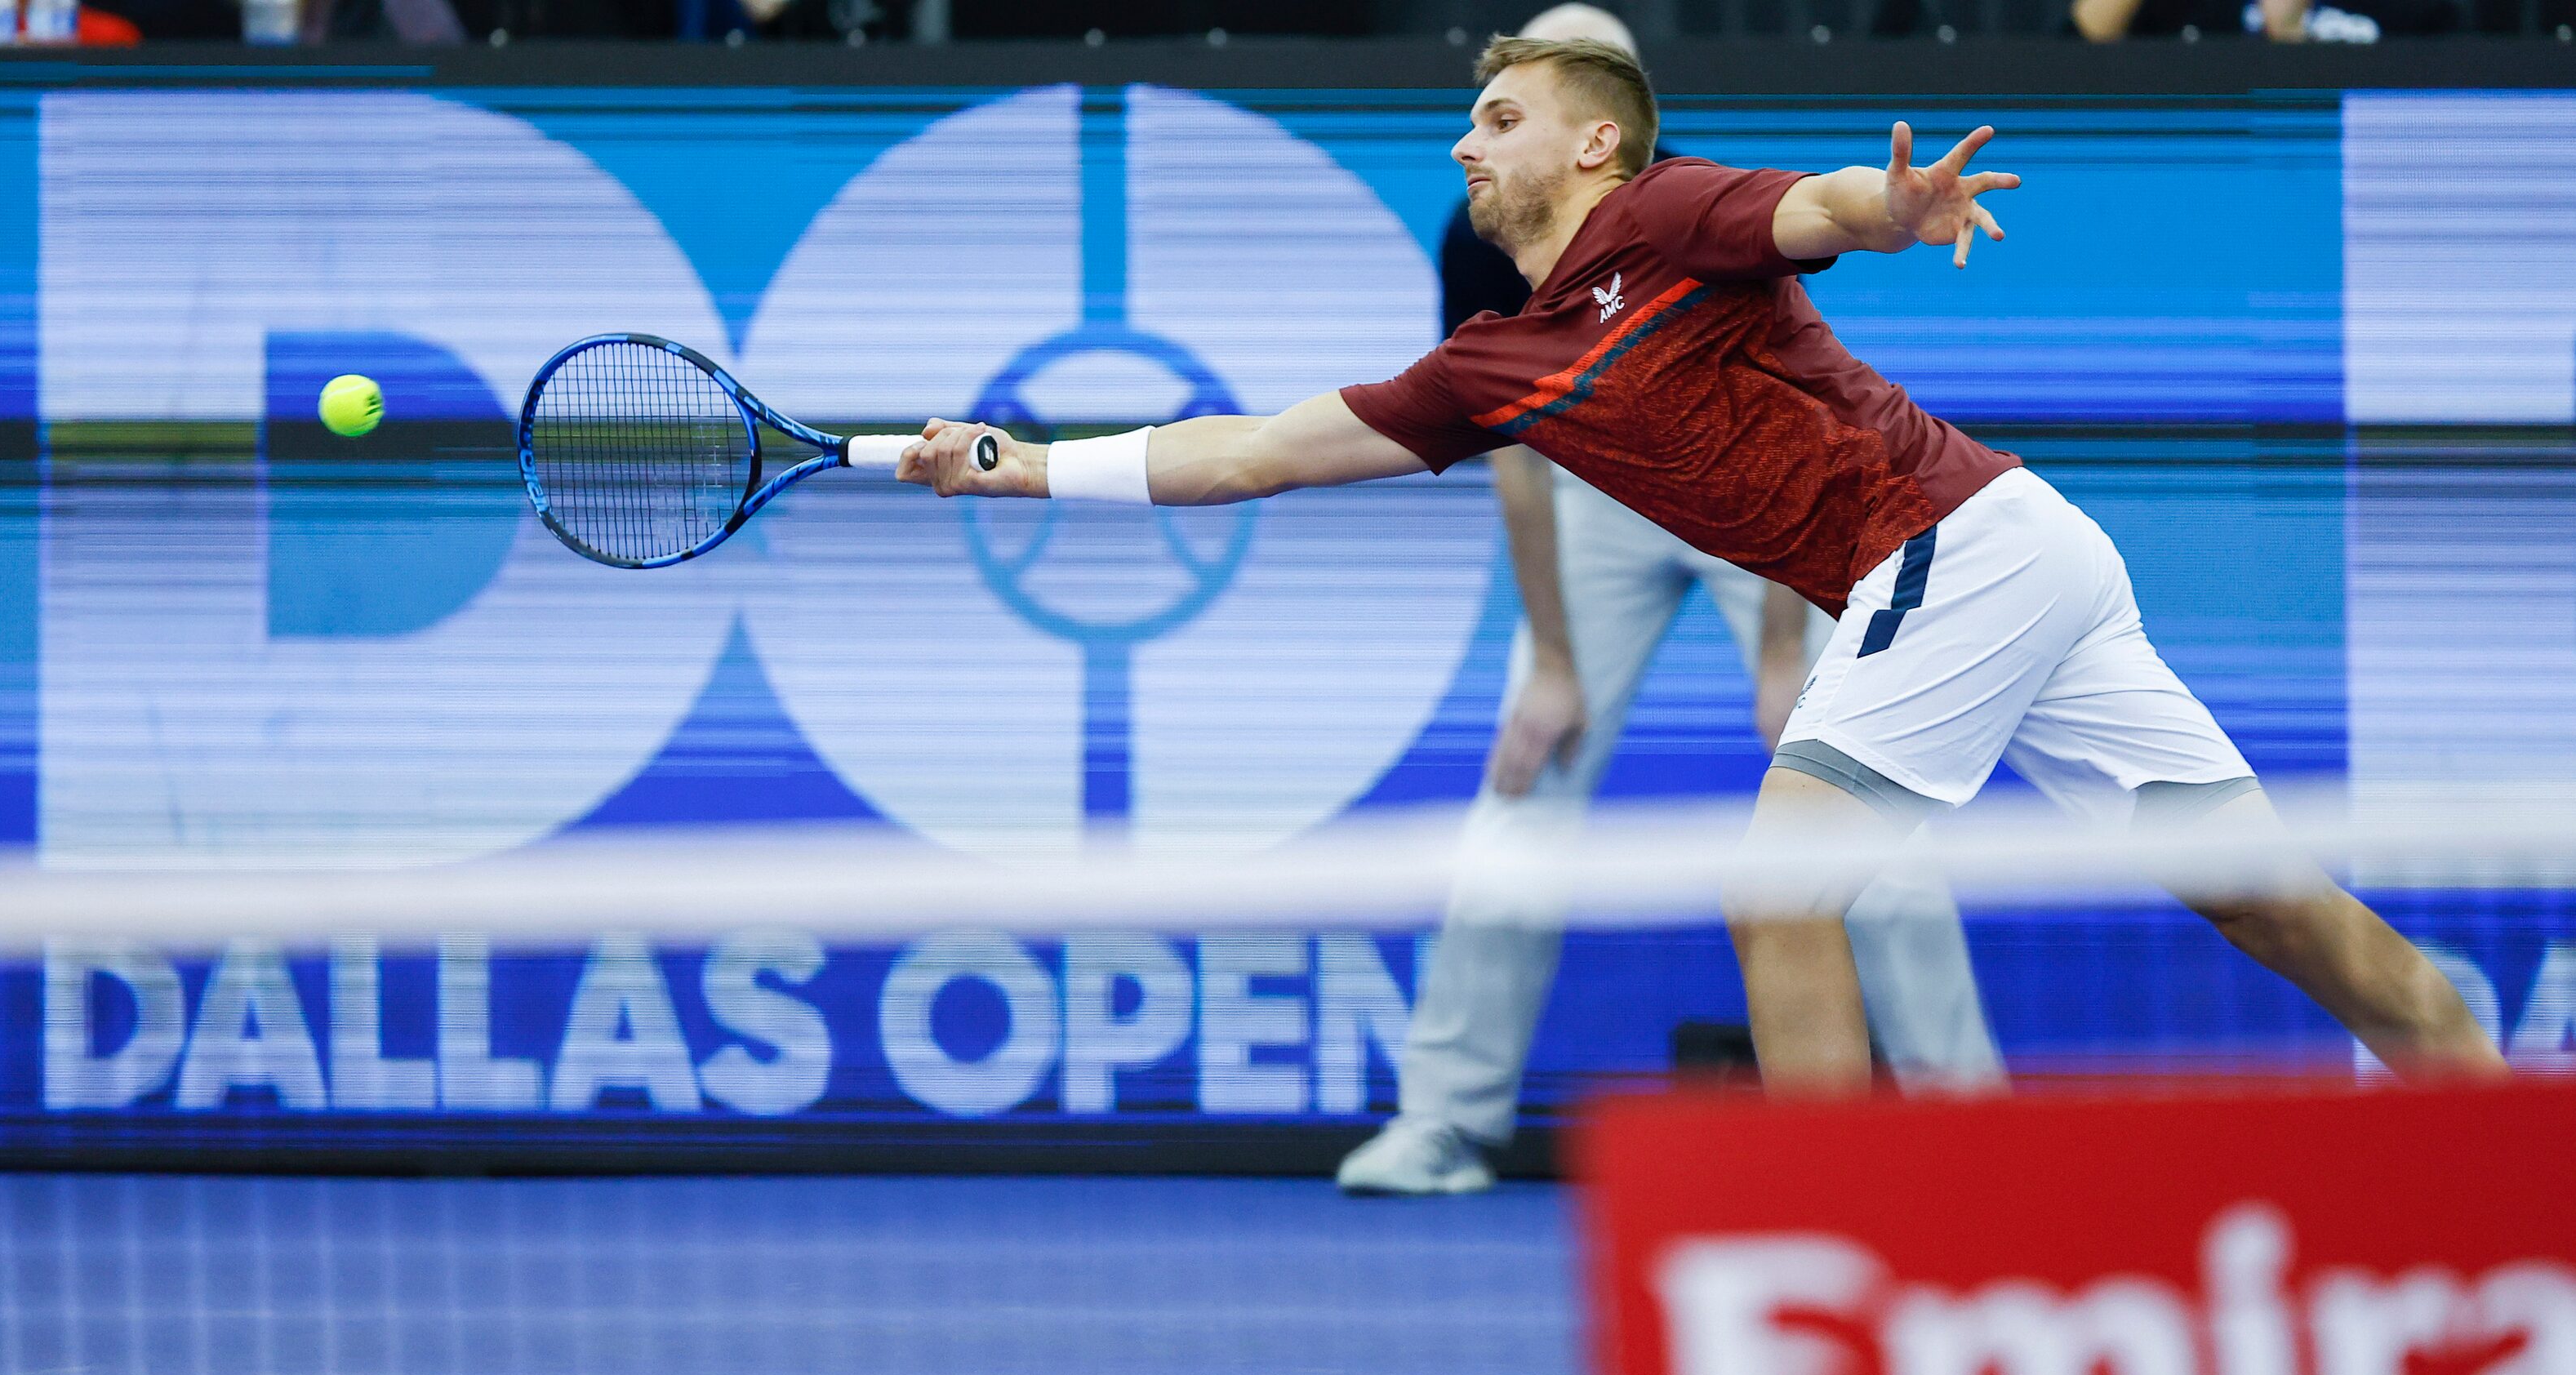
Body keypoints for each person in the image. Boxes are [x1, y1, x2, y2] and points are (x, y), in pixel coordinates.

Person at [899, 35, 2509, 1095]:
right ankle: (2487, 1123)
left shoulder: (1664, 215)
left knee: (1773, 886)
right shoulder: (1490, 369)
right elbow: (1244, 451)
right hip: (2024, 560)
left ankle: (1835, 1260)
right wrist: (1021, 461)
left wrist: (1898, 205)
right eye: (1469, 121)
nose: (1468, 144)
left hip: (1954, 551)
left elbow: (1816, 207)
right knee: (2270, 908)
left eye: (1501, 116)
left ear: (1595, 140)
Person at [1334, 1, 2003, 1197]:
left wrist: (1782, 658)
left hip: (1750, 489)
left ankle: (1966, 1119)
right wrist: (1548, 657)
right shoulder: (1479, 228)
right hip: (1591, 489)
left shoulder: (1689, 203)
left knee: (1862, 805)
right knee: (1519, 797)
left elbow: (1790, 450)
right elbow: (1510, 449)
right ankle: (1442, 1120)